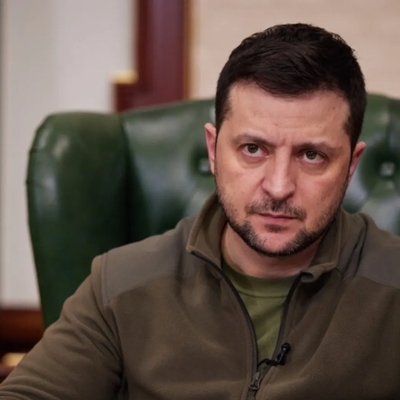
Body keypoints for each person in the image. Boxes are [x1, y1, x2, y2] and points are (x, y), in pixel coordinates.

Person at [1, 22, 400, 400]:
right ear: (213, 150)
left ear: (351, 165)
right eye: (253, 149)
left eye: (312, 155)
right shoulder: (120, 284)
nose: (279, 187)